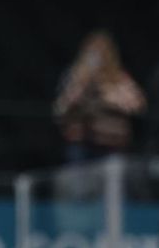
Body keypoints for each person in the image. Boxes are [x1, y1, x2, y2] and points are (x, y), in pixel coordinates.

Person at [52, 31, 146, 162]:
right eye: (93, 51)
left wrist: (109, 95)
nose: (98, 57)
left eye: (102, 52)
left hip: (112, 144)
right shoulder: (74, 76)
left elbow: (137, 105)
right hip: (81, 144)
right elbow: (60, 110)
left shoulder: (119, 78)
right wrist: (79, 88)